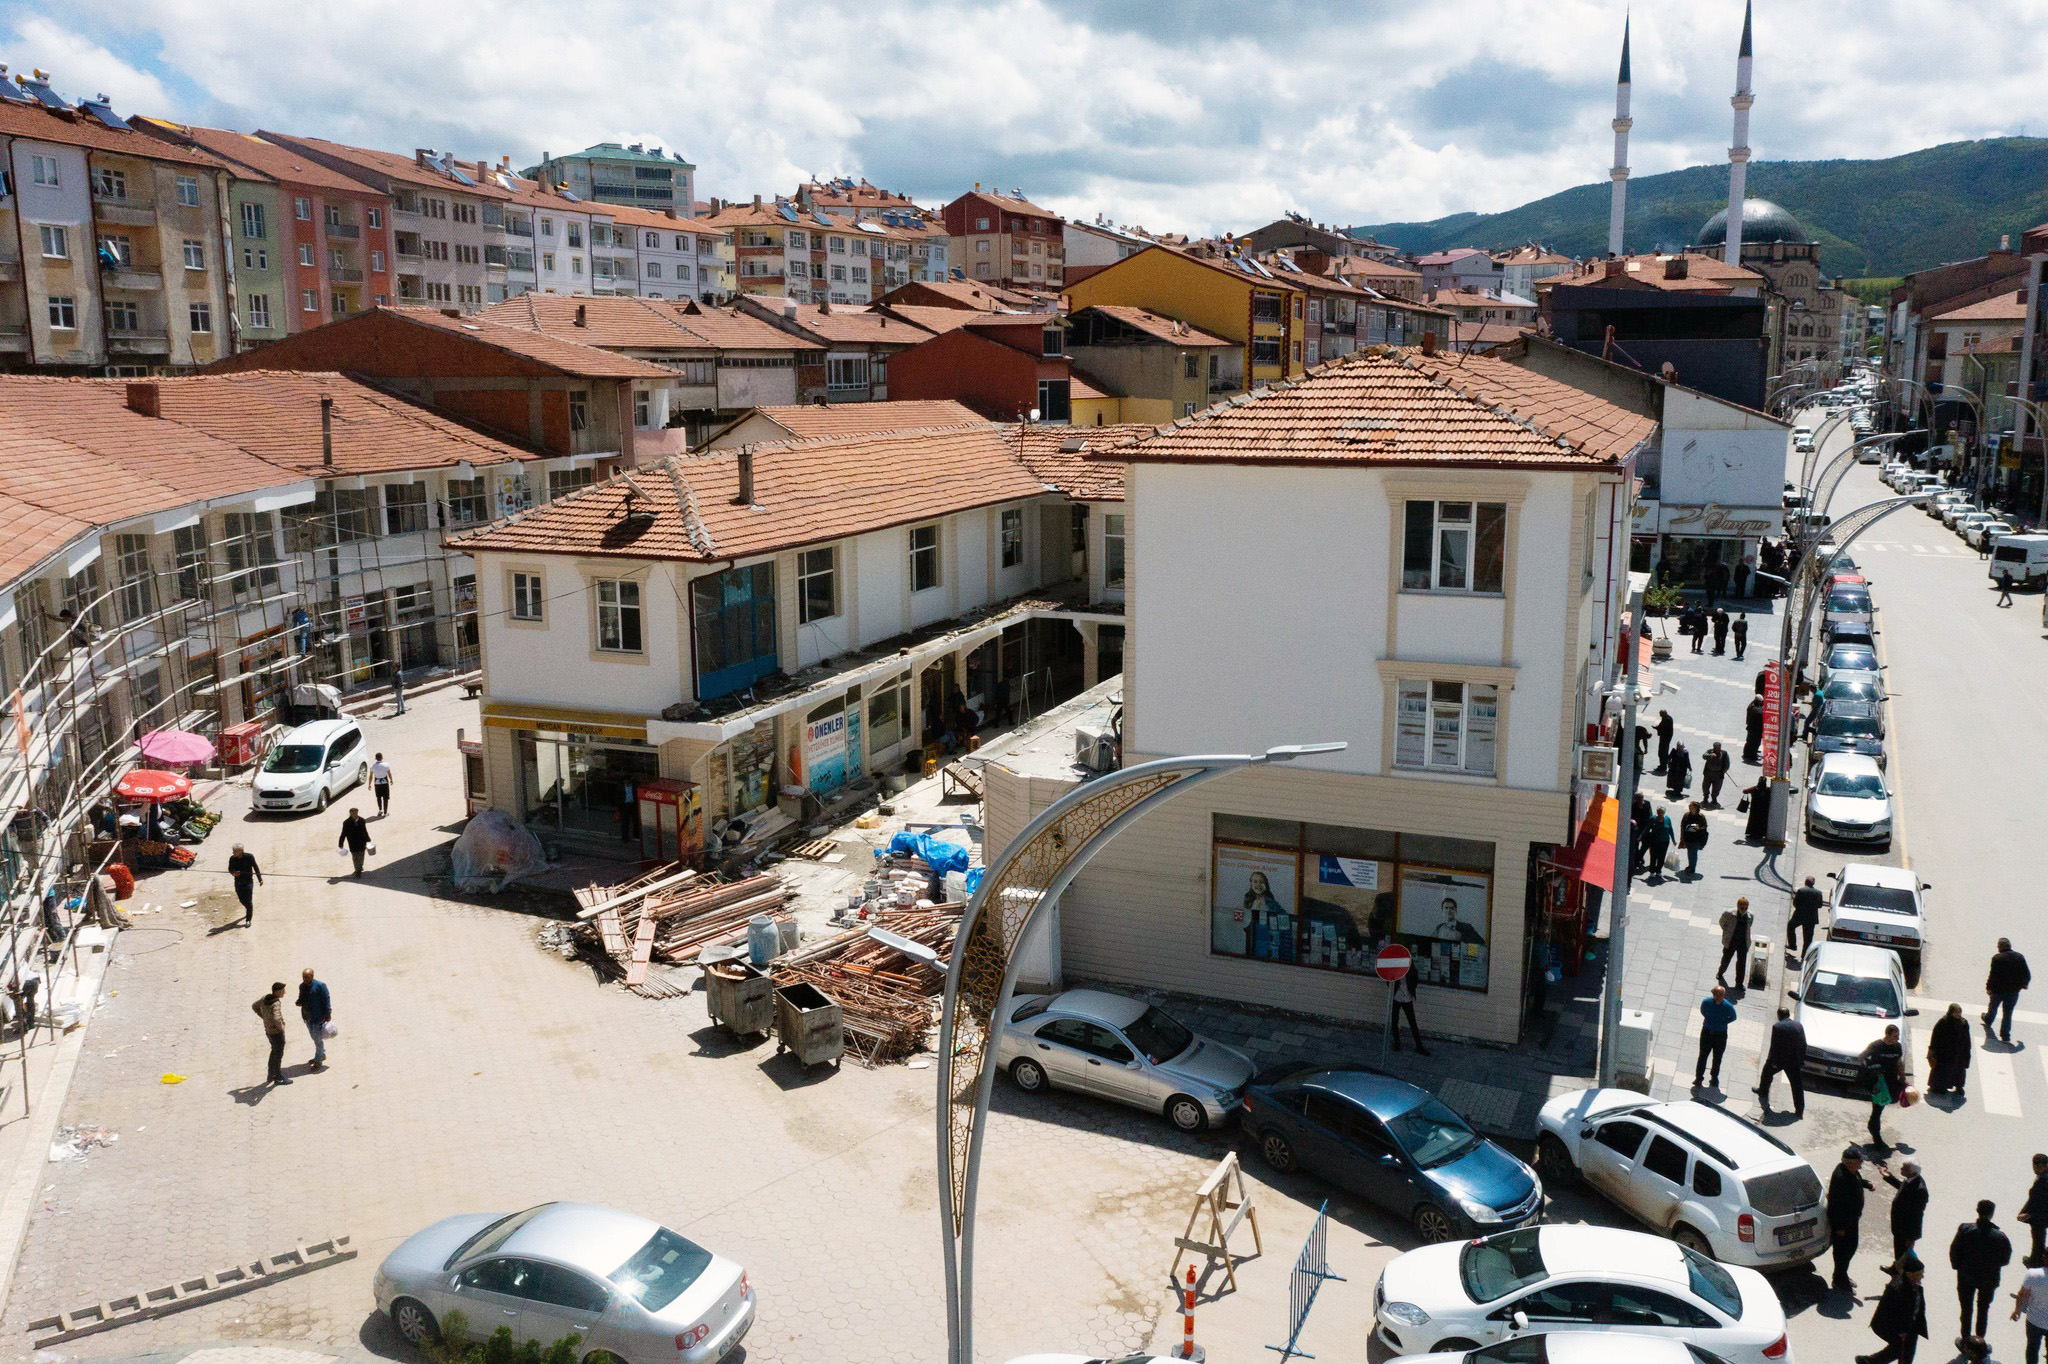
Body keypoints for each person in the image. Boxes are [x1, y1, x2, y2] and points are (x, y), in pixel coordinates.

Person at [1952, 1202, 2014, 1340]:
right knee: (1983, 1309)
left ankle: (1966, 1339)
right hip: (1989, 1279)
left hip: (1966, 1276)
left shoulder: (1965, 1230)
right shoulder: (2000, 1236)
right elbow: (2005, 1259)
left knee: (1966, 1309)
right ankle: (1979, 1341)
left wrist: (1958, 1267)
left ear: (1977, 1211)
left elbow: (1954, 1250)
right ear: (1992, 1214)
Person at [1856, 1253, 1927, 1364]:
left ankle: (1870, 1361)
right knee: (1901, 1347)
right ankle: (1870, 1361)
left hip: (1908, 1326)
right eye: (1920, 1274)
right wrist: (1902, 1330)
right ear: (1911, 1275)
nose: (1922, 1276)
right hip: (1889, 1325)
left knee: (1905, 1346)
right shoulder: (1898, 1290)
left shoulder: (1915, 1287)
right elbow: (1890, 1312)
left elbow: (1917, 1309)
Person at [1833, 1146, 1875, 1290]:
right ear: (1850, 1162)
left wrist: (1866, 1184)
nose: (1861, 1163)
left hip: (1852, 1220)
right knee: (1843, 1252)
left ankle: (1841, 1275)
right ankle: (1839, 1279)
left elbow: (1857, 1180)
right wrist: (1839, 1227)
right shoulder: (1841, 1178)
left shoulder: (1852, 1171)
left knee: (1850, 1248)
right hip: (1843, 1224)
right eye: (1859, 1161)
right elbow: (1836, 1205)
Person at [1862, 1024, 1908, 1149]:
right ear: (1887, 1035)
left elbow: (1899, 1062)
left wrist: (1903, 1078)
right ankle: (1876, 1135)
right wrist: (1871, 1078)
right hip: (1878, 1083)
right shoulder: (1876, 1046)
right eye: (1895, 1036)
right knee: (1877, 1109)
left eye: (1898, 1036)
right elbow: (1862, 1058)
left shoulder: (1897, 1047)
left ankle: (1874, 1128)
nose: (1897, 1039)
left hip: (1891, 1081)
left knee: (1888, 1103)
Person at [1758, 1005, 1808, 1117]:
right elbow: (1803, 1043)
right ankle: (1799, 1110)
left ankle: (1763, 1091)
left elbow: (1774, 1046)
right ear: (1789, 1015)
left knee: (1766, 1073)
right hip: (1794, 1061)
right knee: (1797, 1085)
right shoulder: (1798, 1025)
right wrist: (1801, 1059)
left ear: (1779, 1016)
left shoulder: (1777, 1027)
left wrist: (1773, 1061)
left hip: (1780, 1060)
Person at [1882, 1161, 1929, 1271]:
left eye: (1904, 1167)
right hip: (1900, 1225)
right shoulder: (1912, 1180)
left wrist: (1911, 1237)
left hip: (1906, 1230)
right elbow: (1902, 1187)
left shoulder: (1920, 1190)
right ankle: (1897, 1268)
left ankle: (1904, 1276)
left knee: (1904, 1253)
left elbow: (1917, 1216)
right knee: (1899, 1251)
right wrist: (1889, 1177)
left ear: (1911, 1172)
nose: (1901, 1168)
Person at [1985, 939, 2032, 1044]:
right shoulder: (2019, 957)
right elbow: (2027, 974)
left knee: (1993, 1007)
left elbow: (1993, 975)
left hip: (1998, 991)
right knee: (2008, 1013)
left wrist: (1988, 987)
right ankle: (2005, 1036)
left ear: (1999, 947)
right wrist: (2024, 984)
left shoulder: (1997, 958)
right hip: (2013, 992)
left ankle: (1988, 1020)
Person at [1927, 1003, 1973, 1098]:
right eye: (1955, 1012)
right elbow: (1935, 1037)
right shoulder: (1943, 1022)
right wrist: (1932, 1049)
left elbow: (1967, 1039)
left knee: (1958, 1071)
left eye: (1959, 1012)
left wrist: (1967, 1053)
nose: (1958, 1014)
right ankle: (1939, 1087)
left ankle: (1958, 1086)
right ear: (1951, 1012)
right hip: (1944, 1052)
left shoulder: (1963, 1023)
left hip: (1958, 1053)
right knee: (1943, 1070)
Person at [1696, 984, 1737, 1090]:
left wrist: (1721, 1022)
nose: (1718, 996)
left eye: (1720, 994)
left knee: (1717, 1057)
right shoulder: (1706, 1002)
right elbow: (1703, 1011)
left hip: (1720, 1035)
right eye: (1716, 994)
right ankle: (1699, 1078)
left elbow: (1733, 1017)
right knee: (1703, 1056)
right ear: (1713, 994)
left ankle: (1714, 1077)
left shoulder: (1728, 1006)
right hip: (1707, 1032)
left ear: (1724, 995)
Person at [252, 981, 291, 1086]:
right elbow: (277, 1018)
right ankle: (278, 1077)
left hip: (268, 1031)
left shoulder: (265, 998)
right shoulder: (276, 1003)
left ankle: (270, 1074)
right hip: (276, 1033)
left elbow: (254, 1006)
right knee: (278, 1054)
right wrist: (281, 1027)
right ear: (277, 992)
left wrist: (264, 1017)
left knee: (274, 1051)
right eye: (283, 991)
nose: (284, 993)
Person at [2013, 1252, 2048, 1364]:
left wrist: (2017, 1310)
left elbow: (2021, 1295)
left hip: (2034, 1321)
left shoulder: (2033, 1274)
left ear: (2044, 1258)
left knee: (2032, 1349)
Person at [296, 968, 332, 1072]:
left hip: (318, 1017)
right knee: (314, 1037)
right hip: (307, 1017)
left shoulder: (320, 986)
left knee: (317, 1040)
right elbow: (301, 998)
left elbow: (326, 999)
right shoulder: (302, 986)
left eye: (307, 977)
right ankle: (321, 1054)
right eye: (303, 977)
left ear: (312, 976)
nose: (305, 979)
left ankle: (318, 1061)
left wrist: (328, 1013)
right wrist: (299, 1002)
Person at [1718, 897, 1754, 986]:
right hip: (1731, 940)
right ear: (1738, 906)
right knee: (1726, 959)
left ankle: (1739, 983)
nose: (1744, 910)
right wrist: (1727, 932)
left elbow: (1749, 926)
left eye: (1746, 908)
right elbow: (1722, 922)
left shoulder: (1750, 916)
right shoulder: (1729, 913)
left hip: (1743, 942)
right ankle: (1720, 972)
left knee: (1742, 963)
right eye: (1742, 908)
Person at [1389, 972, 1427, 1055]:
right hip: (1397, 996)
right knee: (1395, 1020)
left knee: (1412, 1022)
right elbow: (1389, 979)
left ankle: (1419, 1045)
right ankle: (1397, 1042)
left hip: (1407, 997)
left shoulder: (1409, 964)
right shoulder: (1398, 964)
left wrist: (1411, 988)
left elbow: (1415, 977)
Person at [227, 843, 263, 927]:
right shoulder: (232, 859)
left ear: (241, 851)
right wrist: (234, 873)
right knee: (242, 900)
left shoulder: (249, 857)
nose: (233, 853)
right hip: (238, 882)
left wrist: (260, 879)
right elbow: (230, 869)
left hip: (248, 882)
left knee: (248, 900)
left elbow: (255, 867)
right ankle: (249, 908)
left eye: (235, 851)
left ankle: (248, 919)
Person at [2021, 1154, 2048, 1263]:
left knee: (2038, 1238)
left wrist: (2029, 1214)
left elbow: (2037, 1200)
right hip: (2039, 1216)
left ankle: (2037, 1260)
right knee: (2038, 1238)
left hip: (2040, 1217)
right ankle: (2036, 1258)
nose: (2037, 1168)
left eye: (2040, 1165)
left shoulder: (2043, 1180)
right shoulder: (2041, 1178)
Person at [1790, 876, 1824, 957]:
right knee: (1808, 938)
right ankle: (1804, 956)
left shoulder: (1801, 891)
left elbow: (1795, 903)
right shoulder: (1818, 893)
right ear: (1813, 883)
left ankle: (1792, 945)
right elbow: (1820, 905)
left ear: (1805, 882)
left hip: (1799, 915)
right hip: (1811, 918)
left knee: (1791, 926)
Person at [337, 807, 372, 878]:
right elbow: (343, 833)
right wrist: (341, 843)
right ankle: (357, 871)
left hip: (362, 842)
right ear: (350, 814)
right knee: (355, 857)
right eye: (353, 813)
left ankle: (360, 866)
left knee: (361, 855)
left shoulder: (362, 820)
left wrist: (368, 839)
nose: (355, 815)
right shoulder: (346, 823)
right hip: (353, 843)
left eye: (356, 813)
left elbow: (365, 831)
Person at [1645, 806, 1675, 884]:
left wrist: (1673, 839)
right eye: (1658, 812)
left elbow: (1670, 829)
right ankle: (1652, 871)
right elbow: (1647, 828)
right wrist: (1641, 836)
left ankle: (1658, 871)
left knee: (1661, 857)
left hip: (1664, 842)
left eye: (1661, 812)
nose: (1660, 814)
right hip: (1654, 841)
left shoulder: (1667, 819)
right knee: (1653, 856)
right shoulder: (1653, 819)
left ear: (1664, 813)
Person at [1701, 742, 1732, 807]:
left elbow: (1727, 763)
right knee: (1705, 786)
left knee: (1717, 787)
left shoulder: (1724, 753)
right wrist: (1709, 755)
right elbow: (1704, 756)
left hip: (1718, 774)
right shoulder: (1710, 751)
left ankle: (1714, 798)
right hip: (1708, 773)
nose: (1717, 749)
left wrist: (1725, 769)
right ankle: (1705, 797)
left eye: (1718, 747)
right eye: (1715, 747)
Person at [370, 752, 393, 818]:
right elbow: (389, 773)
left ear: (375, 758)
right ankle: (385, 812)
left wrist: (369, 784)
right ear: (382, 757)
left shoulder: (372, 766)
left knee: (378, 797)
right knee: (385, 798)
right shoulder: (386, 765)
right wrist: (391, 779)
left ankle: (380, 810)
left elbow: (371, 776)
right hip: (385, 782)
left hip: (377, 783)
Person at [1744, 695, 1766, 765]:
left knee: (1749, 742)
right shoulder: (1757, 710)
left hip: (1751, 728)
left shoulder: (1753, 706)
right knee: (1755, 743)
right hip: (1755, 730)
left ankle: (1747, 754)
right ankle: (1752, 755)